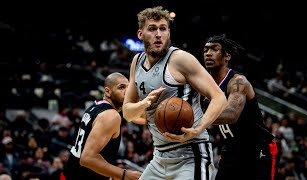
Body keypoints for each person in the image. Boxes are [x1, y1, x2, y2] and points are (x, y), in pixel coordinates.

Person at [122, 6, 227, 180]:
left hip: (190, 155)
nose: (158, 34)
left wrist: (198, 129)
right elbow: (127, 112)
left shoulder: (180, 59)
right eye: (152, 29)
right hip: (159, 158)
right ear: (140, 34)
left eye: (163, 28)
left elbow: (219, 98)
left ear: (169, 33)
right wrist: (145, 103)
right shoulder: (136, 62)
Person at [201, 34, 279, 180]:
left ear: (227, 56)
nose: (208, 53)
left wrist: (198, 117)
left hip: (258, 149)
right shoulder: (204, 86)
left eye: (214, 49)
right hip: (231, 150)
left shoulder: (238, 82)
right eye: (205, 50)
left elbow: (231, 114)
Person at [62, 72, 142, 180]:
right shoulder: (111, 115)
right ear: (107, 91)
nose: (127, 91)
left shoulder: (95, 106)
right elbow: (87, 158)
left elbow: (136, 117)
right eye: (121, 87)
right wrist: (125, 175)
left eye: (128, 87)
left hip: (70, 173)